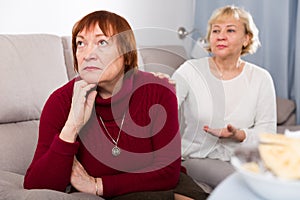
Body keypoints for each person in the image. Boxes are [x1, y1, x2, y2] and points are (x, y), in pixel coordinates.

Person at [23, 10, 208, 200]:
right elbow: (36, 185)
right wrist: (71, 127)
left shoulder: (159, 90)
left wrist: (97, 185)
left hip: (160, 182)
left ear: (126, 54)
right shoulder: (60, 101)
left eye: (102, 42)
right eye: (81, 43)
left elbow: (168, 172)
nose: (88, 54)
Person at [171, 5, 276, 188]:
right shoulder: (190, 70)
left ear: (246, 39)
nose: (220, 36)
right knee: (242, 185)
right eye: (216, 30)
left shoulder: (261, 78)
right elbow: (163, 108)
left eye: (230, 30)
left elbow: (268, 133)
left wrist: (239, 135)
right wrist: (158, 88)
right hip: (197, 157)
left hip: (245, 159)